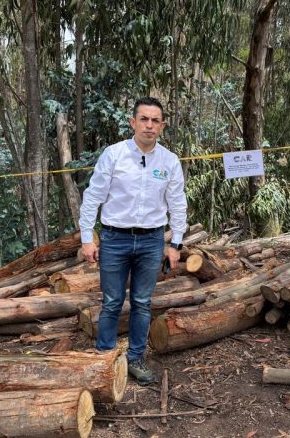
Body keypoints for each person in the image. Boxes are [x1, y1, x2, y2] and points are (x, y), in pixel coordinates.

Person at [79, 97, 187, 385]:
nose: (149, 126)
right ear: (132, 122)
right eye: (144, 119)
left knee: (141, 302)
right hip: (115, 238)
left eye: (155, 121)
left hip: (152, 240)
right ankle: (105, 359)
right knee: (112, 301)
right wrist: (87, 238)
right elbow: (93, 197)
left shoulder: (169, 162)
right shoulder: (114, 155)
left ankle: (135, 358)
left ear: (162, 126)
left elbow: (177, 204)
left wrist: (175, 243)